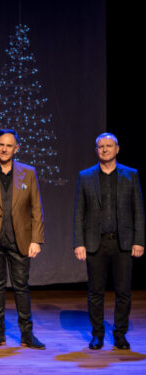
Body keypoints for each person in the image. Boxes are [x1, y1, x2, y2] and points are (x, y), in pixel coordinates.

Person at [0, 129, 45, 350]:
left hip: (19, 239)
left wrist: (36, 240)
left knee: (22, 286)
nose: (4, 149)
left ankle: (27, 334)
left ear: (16, 149)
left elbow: (36, 208)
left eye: (9, 146)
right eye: (0, 144)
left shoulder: (28, 173)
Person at [73, 132, 144, 350]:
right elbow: (79, 213)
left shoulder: (130, 175)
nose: (104, 149)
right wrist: (79, 242)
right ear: (96, 150)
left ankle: (120, 333)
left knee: (123, 291)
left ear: (117, 149)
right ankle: (97, 334)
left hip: (123, 242)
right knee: (95, 291)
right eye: (100, 146)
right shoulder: (85, 176)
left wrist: (139, 240)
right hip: (96, 242)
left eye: (109, 145)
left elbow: (138, 210)